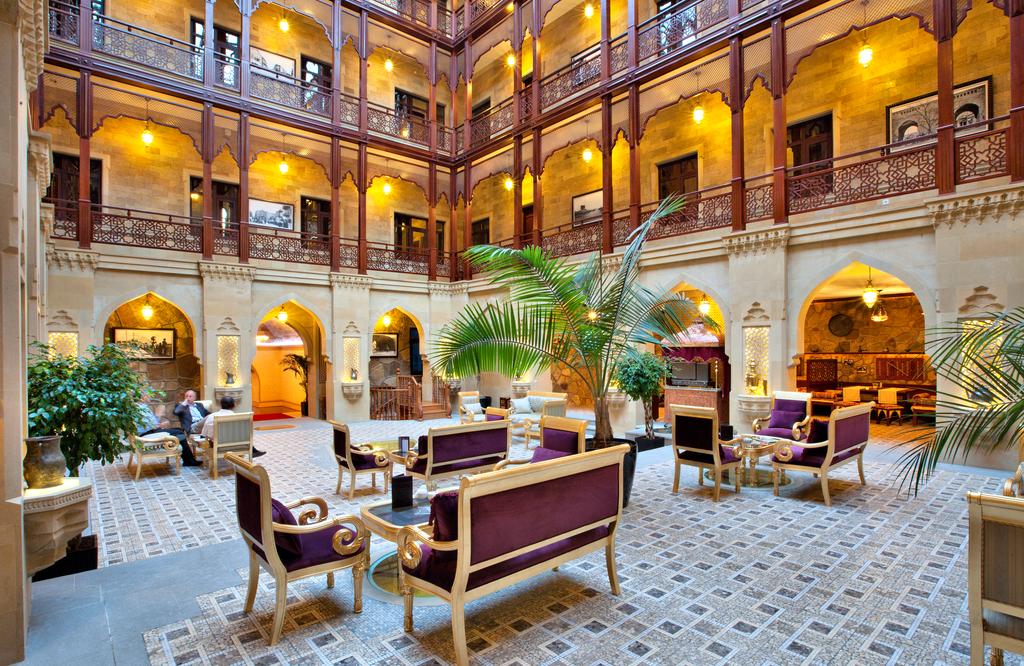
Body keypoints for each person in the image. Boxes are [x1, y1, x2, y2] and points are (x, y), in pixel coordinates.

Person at [136, 401, 201, 466]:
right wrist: (157, 424)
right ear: (143, 397)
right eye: (147, 395)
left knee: (179, 430)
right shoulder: (139, 408)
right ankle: (187, 460)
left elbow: (150, 423)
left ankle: (187, 458)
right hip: (148, 433)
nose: (148, 396)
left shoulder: (144, 406)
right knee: (179, 433)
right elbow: (142, 427)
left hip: (153, 430)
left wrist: (159, 419)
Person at [198, 395, 265, 457]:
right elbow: (246, 435)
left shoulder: (212, 416)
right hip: (236, 446)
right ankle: (253, 451)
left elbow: (204, 434)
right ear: (233, 405)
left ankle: (254, 451)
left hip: (217, 447)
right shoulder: (239, 418)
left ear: (221, 405)